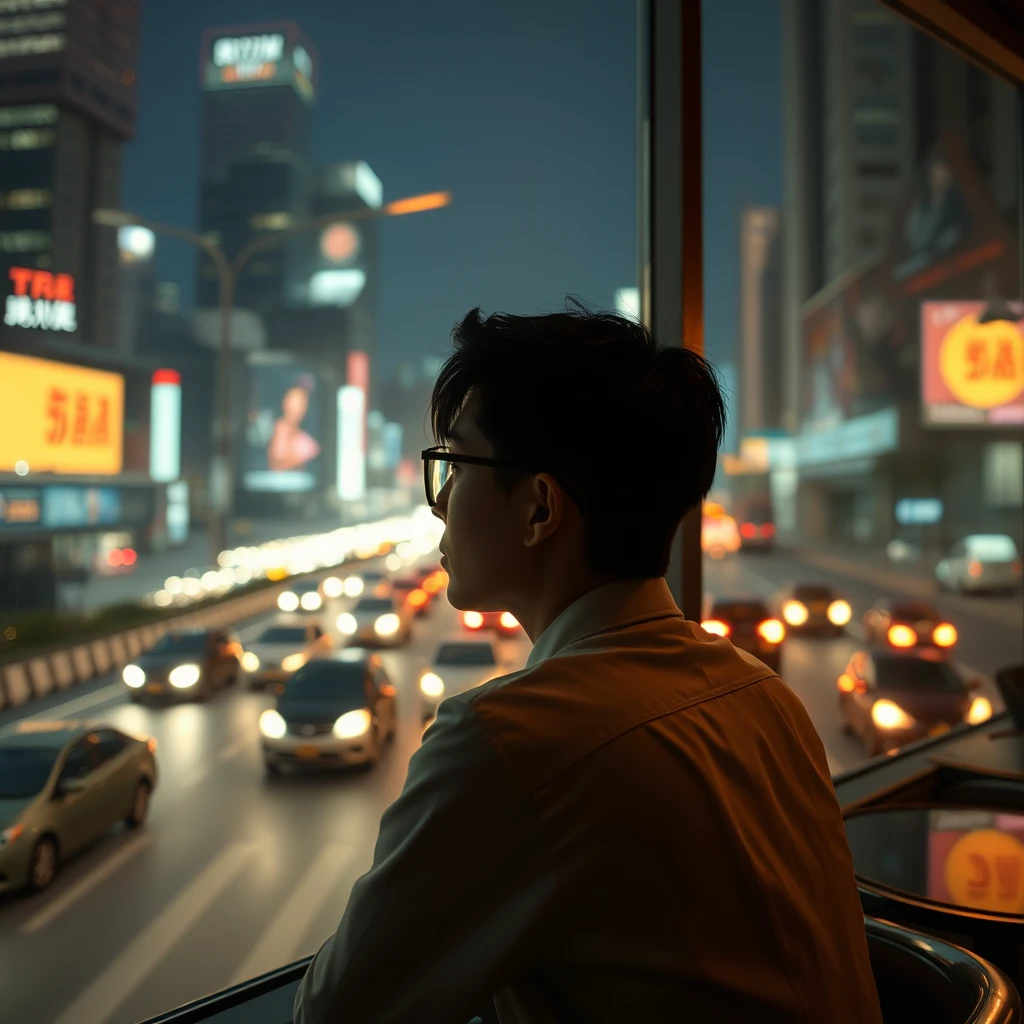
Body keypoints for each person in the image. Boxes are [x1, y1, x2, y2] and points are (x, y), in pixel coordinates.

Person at [294, 301, 882, 1024]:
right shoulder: (765, 698)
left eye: (453, 464)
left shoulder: (510, 743)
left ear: (541, 509)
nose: (439, 505)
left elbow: (336, 1014)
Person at [267, 384, 320, 472]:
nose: (296, 407)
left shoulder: (308, 444)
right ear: (285, 402)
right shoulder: (268, 428)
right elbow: (278, 459)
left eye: (301, 403)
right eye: (293, 401)